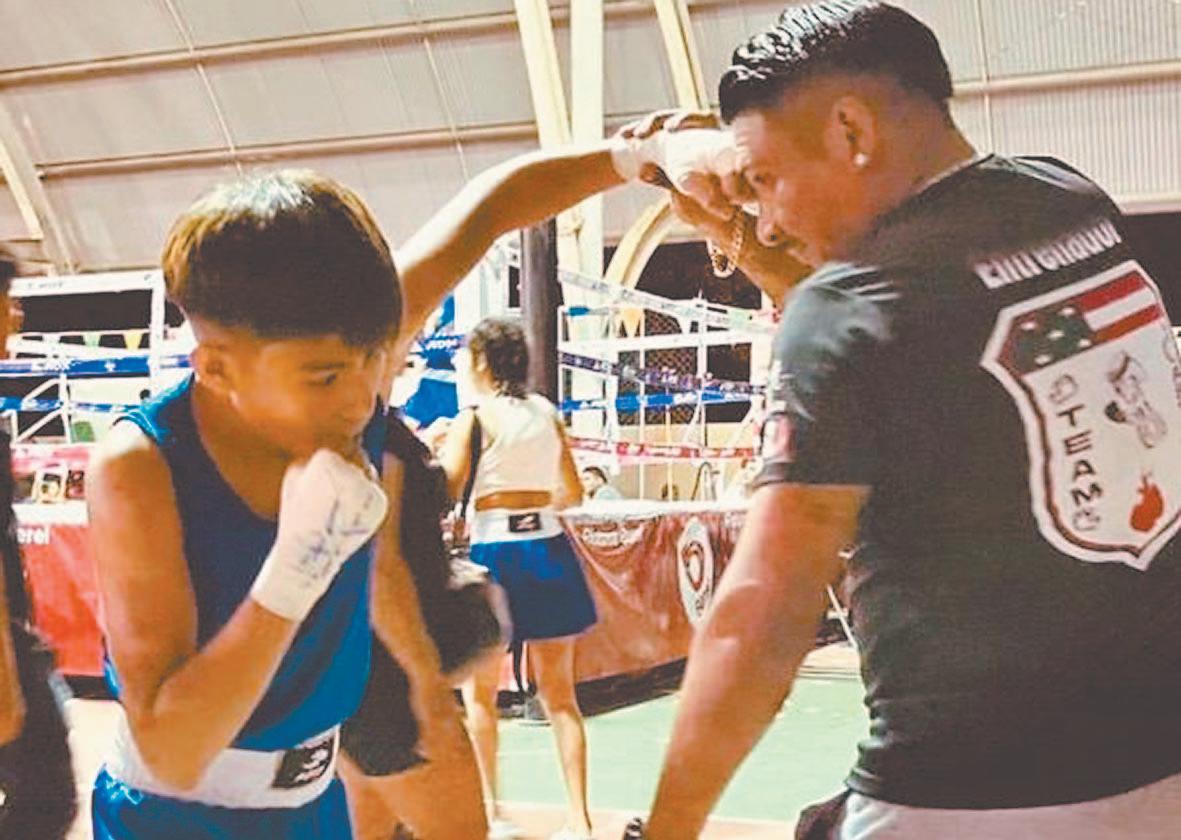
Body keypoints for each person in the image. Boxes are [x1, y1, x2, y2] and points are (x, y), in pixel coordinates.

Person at [619, 2, 1181, 838]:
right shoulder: (1065, 197)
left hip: (968, 794)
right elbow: (906, 338)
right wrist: (764, 242)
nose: (765, 218)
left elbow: (762, 615)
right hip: (1156, 757)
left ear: (851, 130)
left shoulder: (850, 309)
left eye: (765, 179)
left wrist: (669, 829)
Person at [438, 317, 597, 840]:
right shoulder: (547, 413)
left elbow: (446, 489)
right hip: (548, 549)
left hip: (494, 554)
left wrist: (436, 450)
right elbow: (573, 492)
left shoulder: (473, 418)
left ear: (482, 360)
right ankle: (580, 820)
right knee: (561, 696)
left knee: (479, 696)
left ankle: (492, 815)